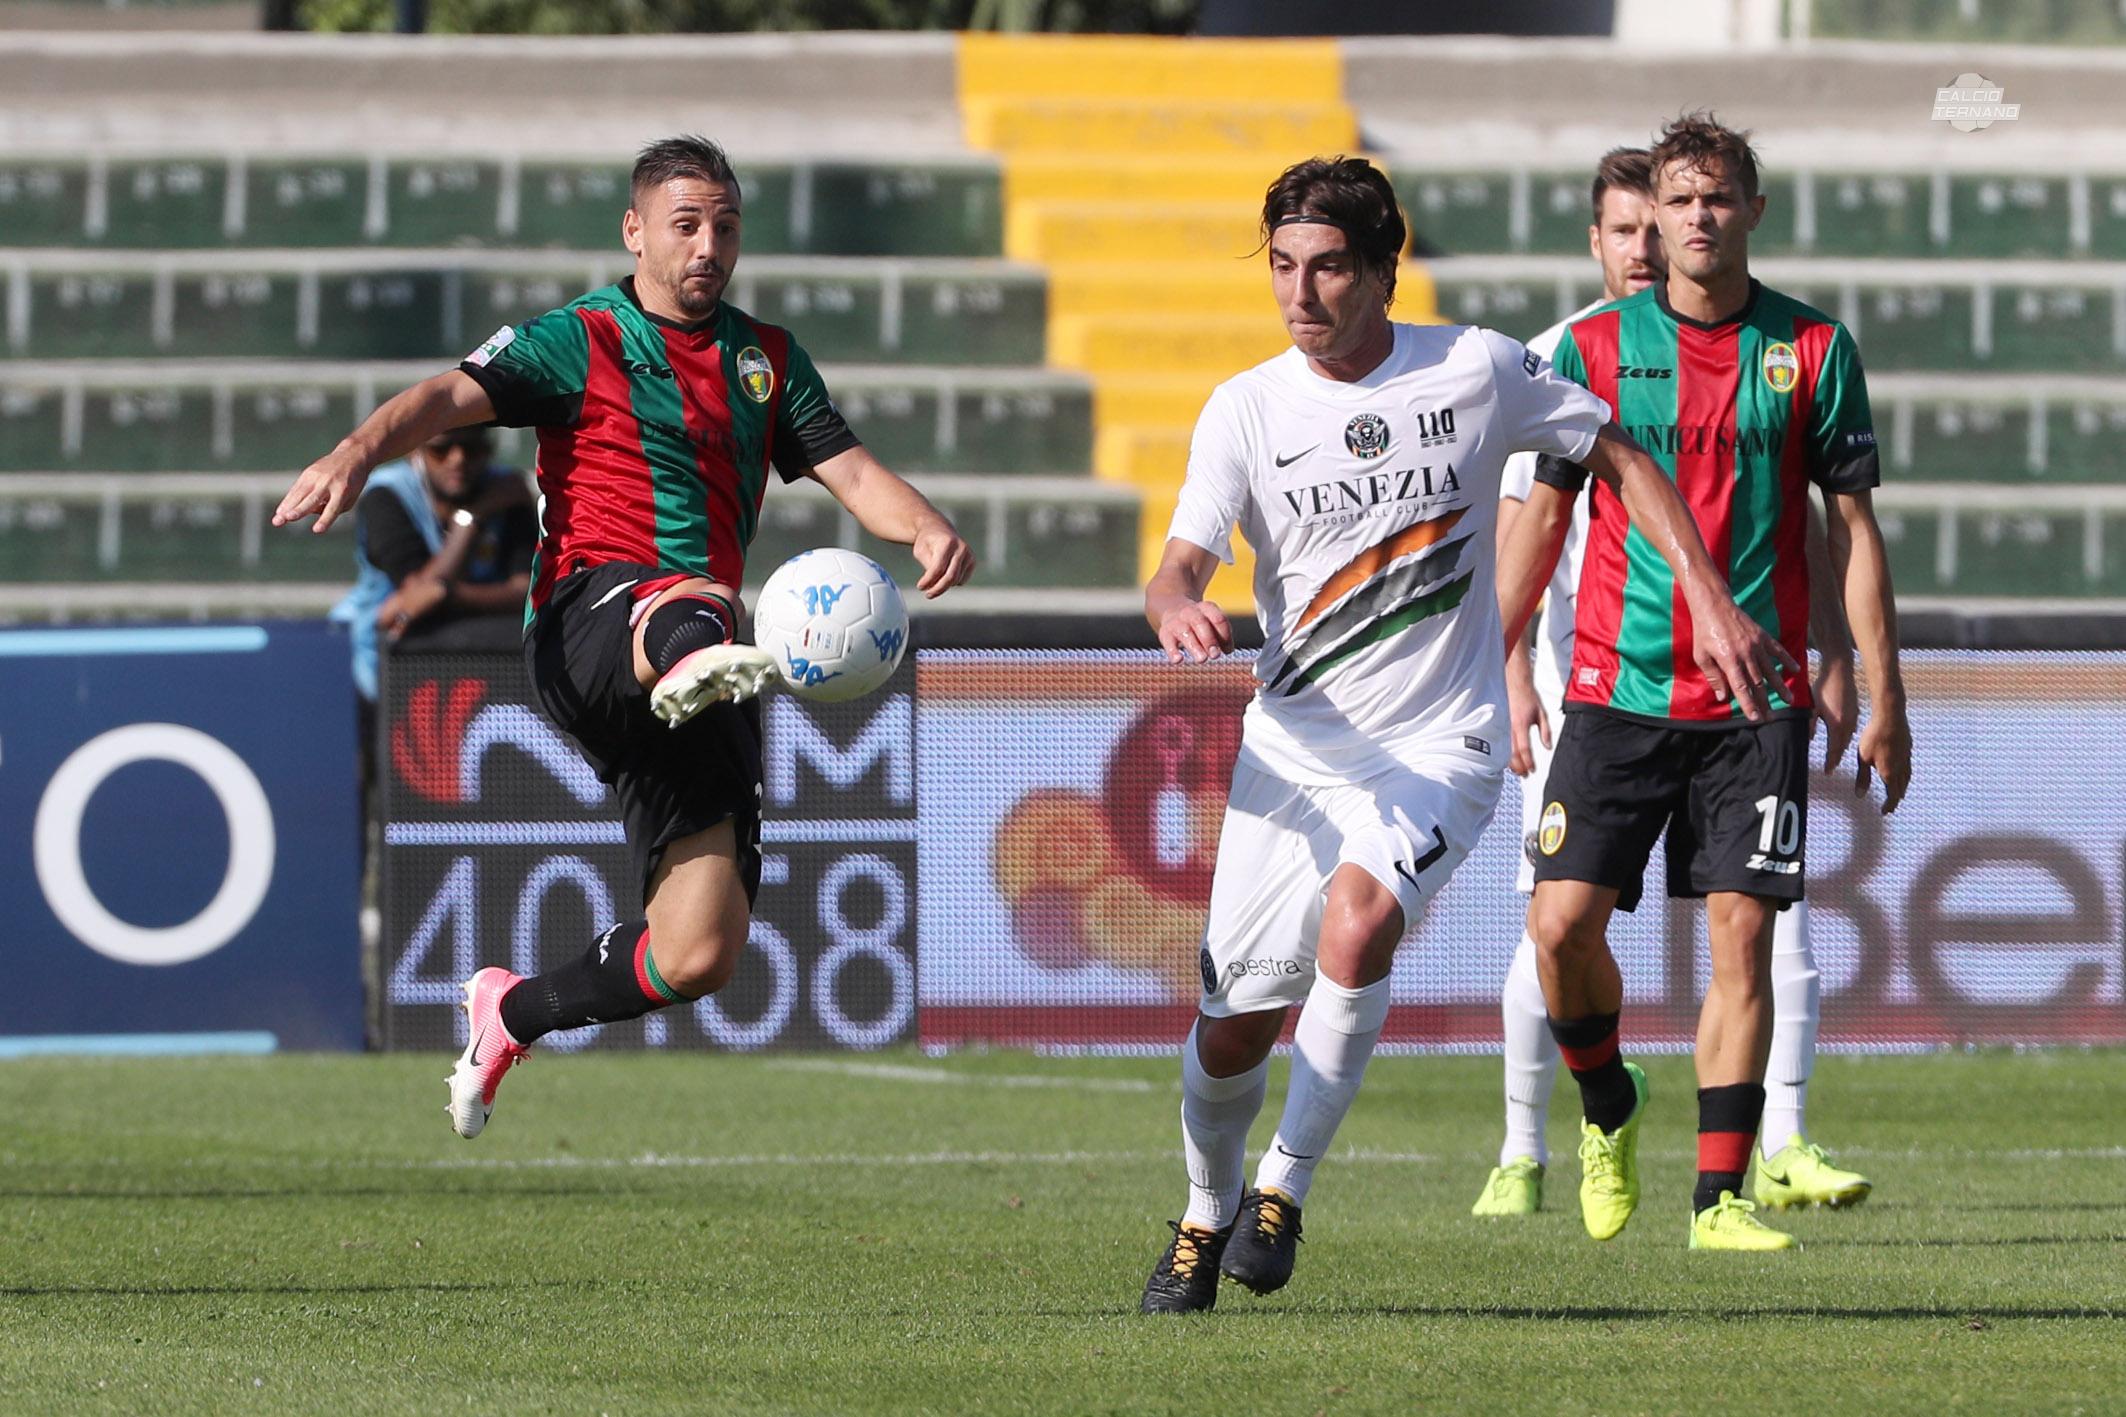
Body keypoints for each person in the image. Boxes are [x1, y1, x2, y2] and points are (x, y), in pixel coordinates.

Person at [1137, 154, 1788, 1313]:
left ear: (1384, 269)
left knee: (1358, 927)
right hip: (1292, 750)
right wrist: (1175, 597)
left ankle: (1281, 1191)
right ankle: (1202, 1210)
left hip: (1441, 742)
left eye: (1327, 266)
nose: (1298, 291)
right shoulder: (1244, 405)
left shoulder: (1477, 368)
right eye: (1282, 266)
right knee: (1230, 1029)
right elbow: (1180, 557)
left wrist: (1708, 592)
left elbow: (1619, 458)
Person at [275, 135, 974, 1138]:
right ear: (635, 230)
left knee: (698, 954)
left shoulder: (764, 360)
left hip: (701, 668)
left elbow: (853, 473)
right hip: (590, 623)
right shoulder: (581, 337)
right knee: (699, 604)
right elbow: (443, 398)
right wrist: (354, 450)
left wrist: (927, 525)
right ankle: (692, 654)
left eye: (724, 226)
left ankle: (510, 1011)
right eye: (686, 224)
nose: (708, 246)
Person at [1499, 112, 1912, 1252]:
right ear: (1655, 213)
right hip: (1613, 688)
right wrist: (1498, 653)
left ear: (1751, 211)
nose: (1695, 218)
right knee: (1558, 927)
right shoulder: (1586, 352)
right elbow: (1538, 518)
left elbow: (1852, 535)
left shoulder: (1812, 350)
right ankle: (1606, 1104)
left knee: (1743, 936)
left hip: (1755, 703)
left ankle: (1717, 1198)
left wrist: (1881, 691)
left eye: (1716, 198)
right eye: (1678, 200)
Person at [335, 424, 536, 817]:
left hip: (470, 671)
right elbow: (414, 588)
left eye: (473, 449)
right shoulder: (387, 496)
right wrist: (470, 520)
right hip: (376, 667)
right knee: (375, 796)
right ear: (418, 451)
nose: (458, 460)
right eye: (442, 450)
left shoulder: (506, 492)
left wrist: (446, 594)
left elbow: (526, 591)